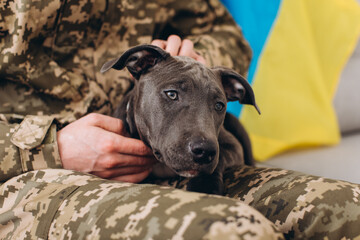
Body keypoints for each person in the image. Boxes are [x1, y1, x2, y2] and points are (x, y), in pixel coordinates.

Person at [0, 0, 359, 239]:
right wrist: (49, 146)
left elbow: (225, 31)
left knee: (349, 209)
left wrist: (196, 66)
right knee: (230, 230)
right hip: (39, 175)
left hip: (182, 157)